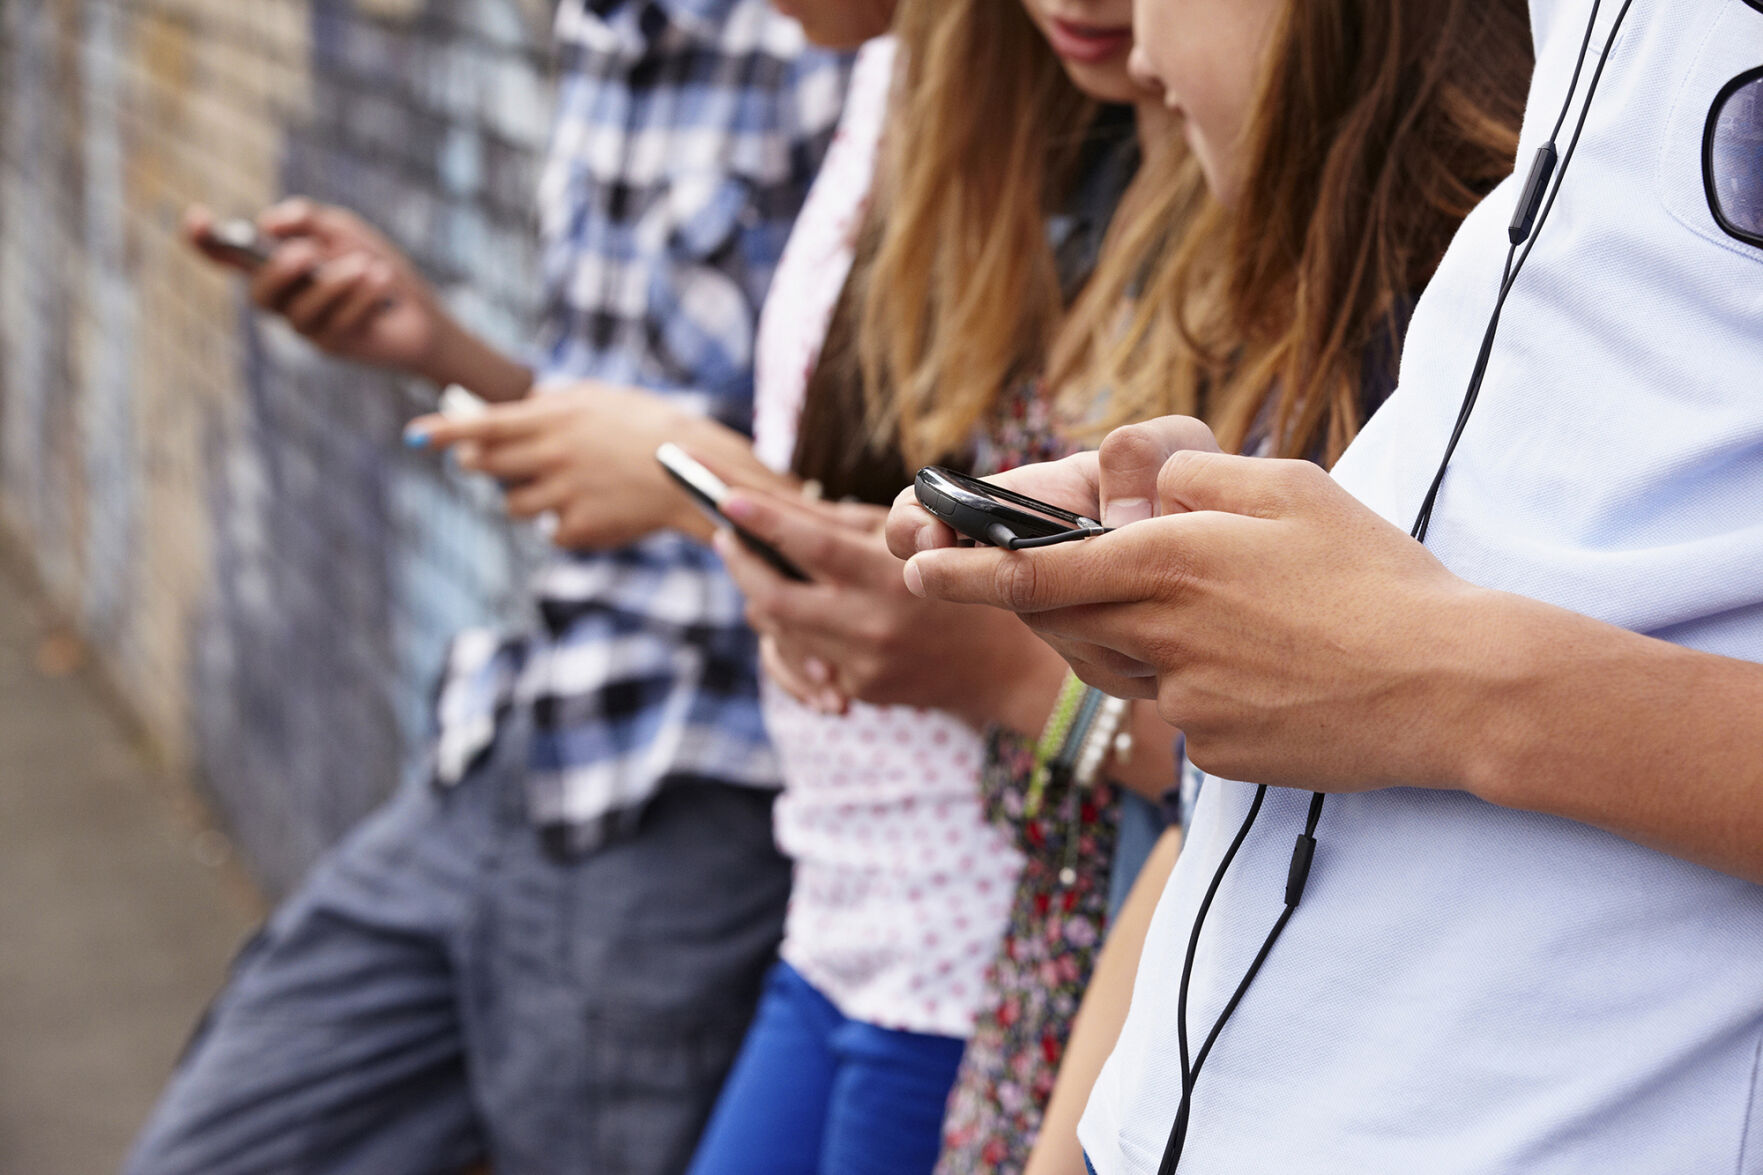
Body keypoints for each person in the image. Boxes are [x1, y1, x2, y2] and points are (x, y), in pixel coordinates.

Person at [892, 0, 1763, 1171]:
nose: (1134, 52)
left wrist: (1433, 674)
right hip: (1182, 1102)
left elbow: (1426, 655)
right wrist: (1229, 590)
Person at [126, 3, 854, 1173]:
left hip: (703, 789)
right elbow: (615, 418)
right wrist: (433, 342)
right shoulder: (607, 33)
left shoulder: (851, 48)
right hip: (518, 728)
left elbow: (916, 520)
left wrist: (689, 480)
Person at [678, 1, 1184, 1170]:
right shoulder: (930, 101)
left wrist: (1010, 673)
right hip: (853, 922)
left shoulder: (1132, 159)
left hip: (997, 964)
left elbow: (1239, 757)